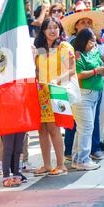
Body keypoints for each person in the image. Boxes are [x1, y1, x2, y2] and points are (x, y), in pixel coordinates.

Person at [34, 17, 75, 176]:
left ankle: (60, 164)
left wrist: (57, 80)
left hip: (56, 90)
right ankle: (46, 164)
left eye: (55, 27)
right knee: (41, 129)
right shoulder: (38, 48)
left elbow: (71, 70)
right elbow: (36, 70)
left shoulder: (64, 46)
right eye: (49, 27)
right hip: (39, 91)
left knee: (54, 128)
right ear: (43, 30)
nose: (52, 31)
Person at [71, 28, 104, 170]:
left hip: (95, 93)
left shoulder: (94, 52)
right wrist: (95, 71)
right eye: (90, 40)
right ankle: (82, 159)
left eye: (94, 40)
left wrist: (103, 69)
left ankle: (77, 158)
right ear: (83, 40)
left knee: (83, 128)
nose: (93, 43)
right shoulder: (77, 55)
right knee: (86, 128)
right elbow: (78, 74)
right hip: (83, 94)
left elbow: (99, 65)